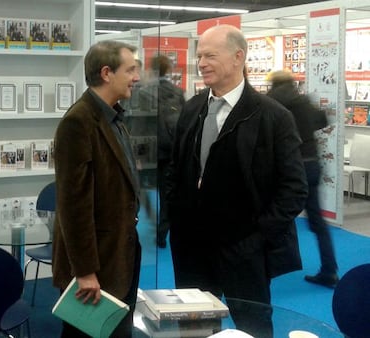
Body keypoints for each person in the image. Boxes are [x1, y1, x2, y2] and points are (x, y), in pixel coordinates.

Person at [166, 24, 308, 337]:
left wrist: (257, 240)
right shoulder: (192, 109)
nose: (201, 62)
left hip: (244, 252)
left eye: (210, 55)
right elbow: (175, 171)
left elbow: (294, 190)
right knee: (193, 329)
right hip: (192, 249)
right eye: (199, 55)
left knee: (253, 328)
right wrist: (174, 218)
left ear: (238, 58)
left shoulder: (273, 117)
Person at [52, 40, 142, 338]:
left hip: (118, 256)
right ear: (106, 73)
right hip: (95, 266)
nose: (136, 77)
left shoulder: (114, 118)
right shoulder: (78, 122)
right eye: (130, 70)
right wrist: (85, 271)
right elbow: (73, 206)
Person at [267, 70, 339, 288]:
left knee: (272, 217)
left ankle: (265, 270)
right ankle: (329, 270)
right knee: (317, 220)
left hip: (286, 168)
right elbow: (323, 120)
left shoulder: (270, 102)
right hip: (311, 164)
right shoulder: (304, 101)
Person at [139, 54, 185, 248]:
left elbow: (139, 124)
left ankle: (146, 217)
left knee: (140, 188)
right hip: (171, 150)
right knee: (166, 194)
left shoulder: (144, 92)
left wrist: (138, 153)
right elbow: (184, 123)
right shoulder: (177, 92)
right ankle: (162, 229)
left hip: (150, 150)